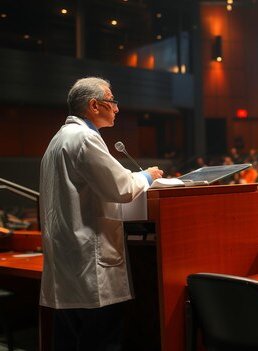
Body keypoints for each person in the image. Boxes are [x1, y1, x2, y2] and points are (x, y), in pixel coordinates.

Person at [39, 77, 164, 350]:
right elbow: (120, 188)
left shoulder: (58, 139)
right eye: (112, 101)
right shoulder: (84, 138)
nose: (117, 109)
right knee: (101, 341)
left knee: (69, 341)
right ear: (94, 105)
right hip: (89, 265)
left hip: (67, 261)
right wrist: (148, 176)